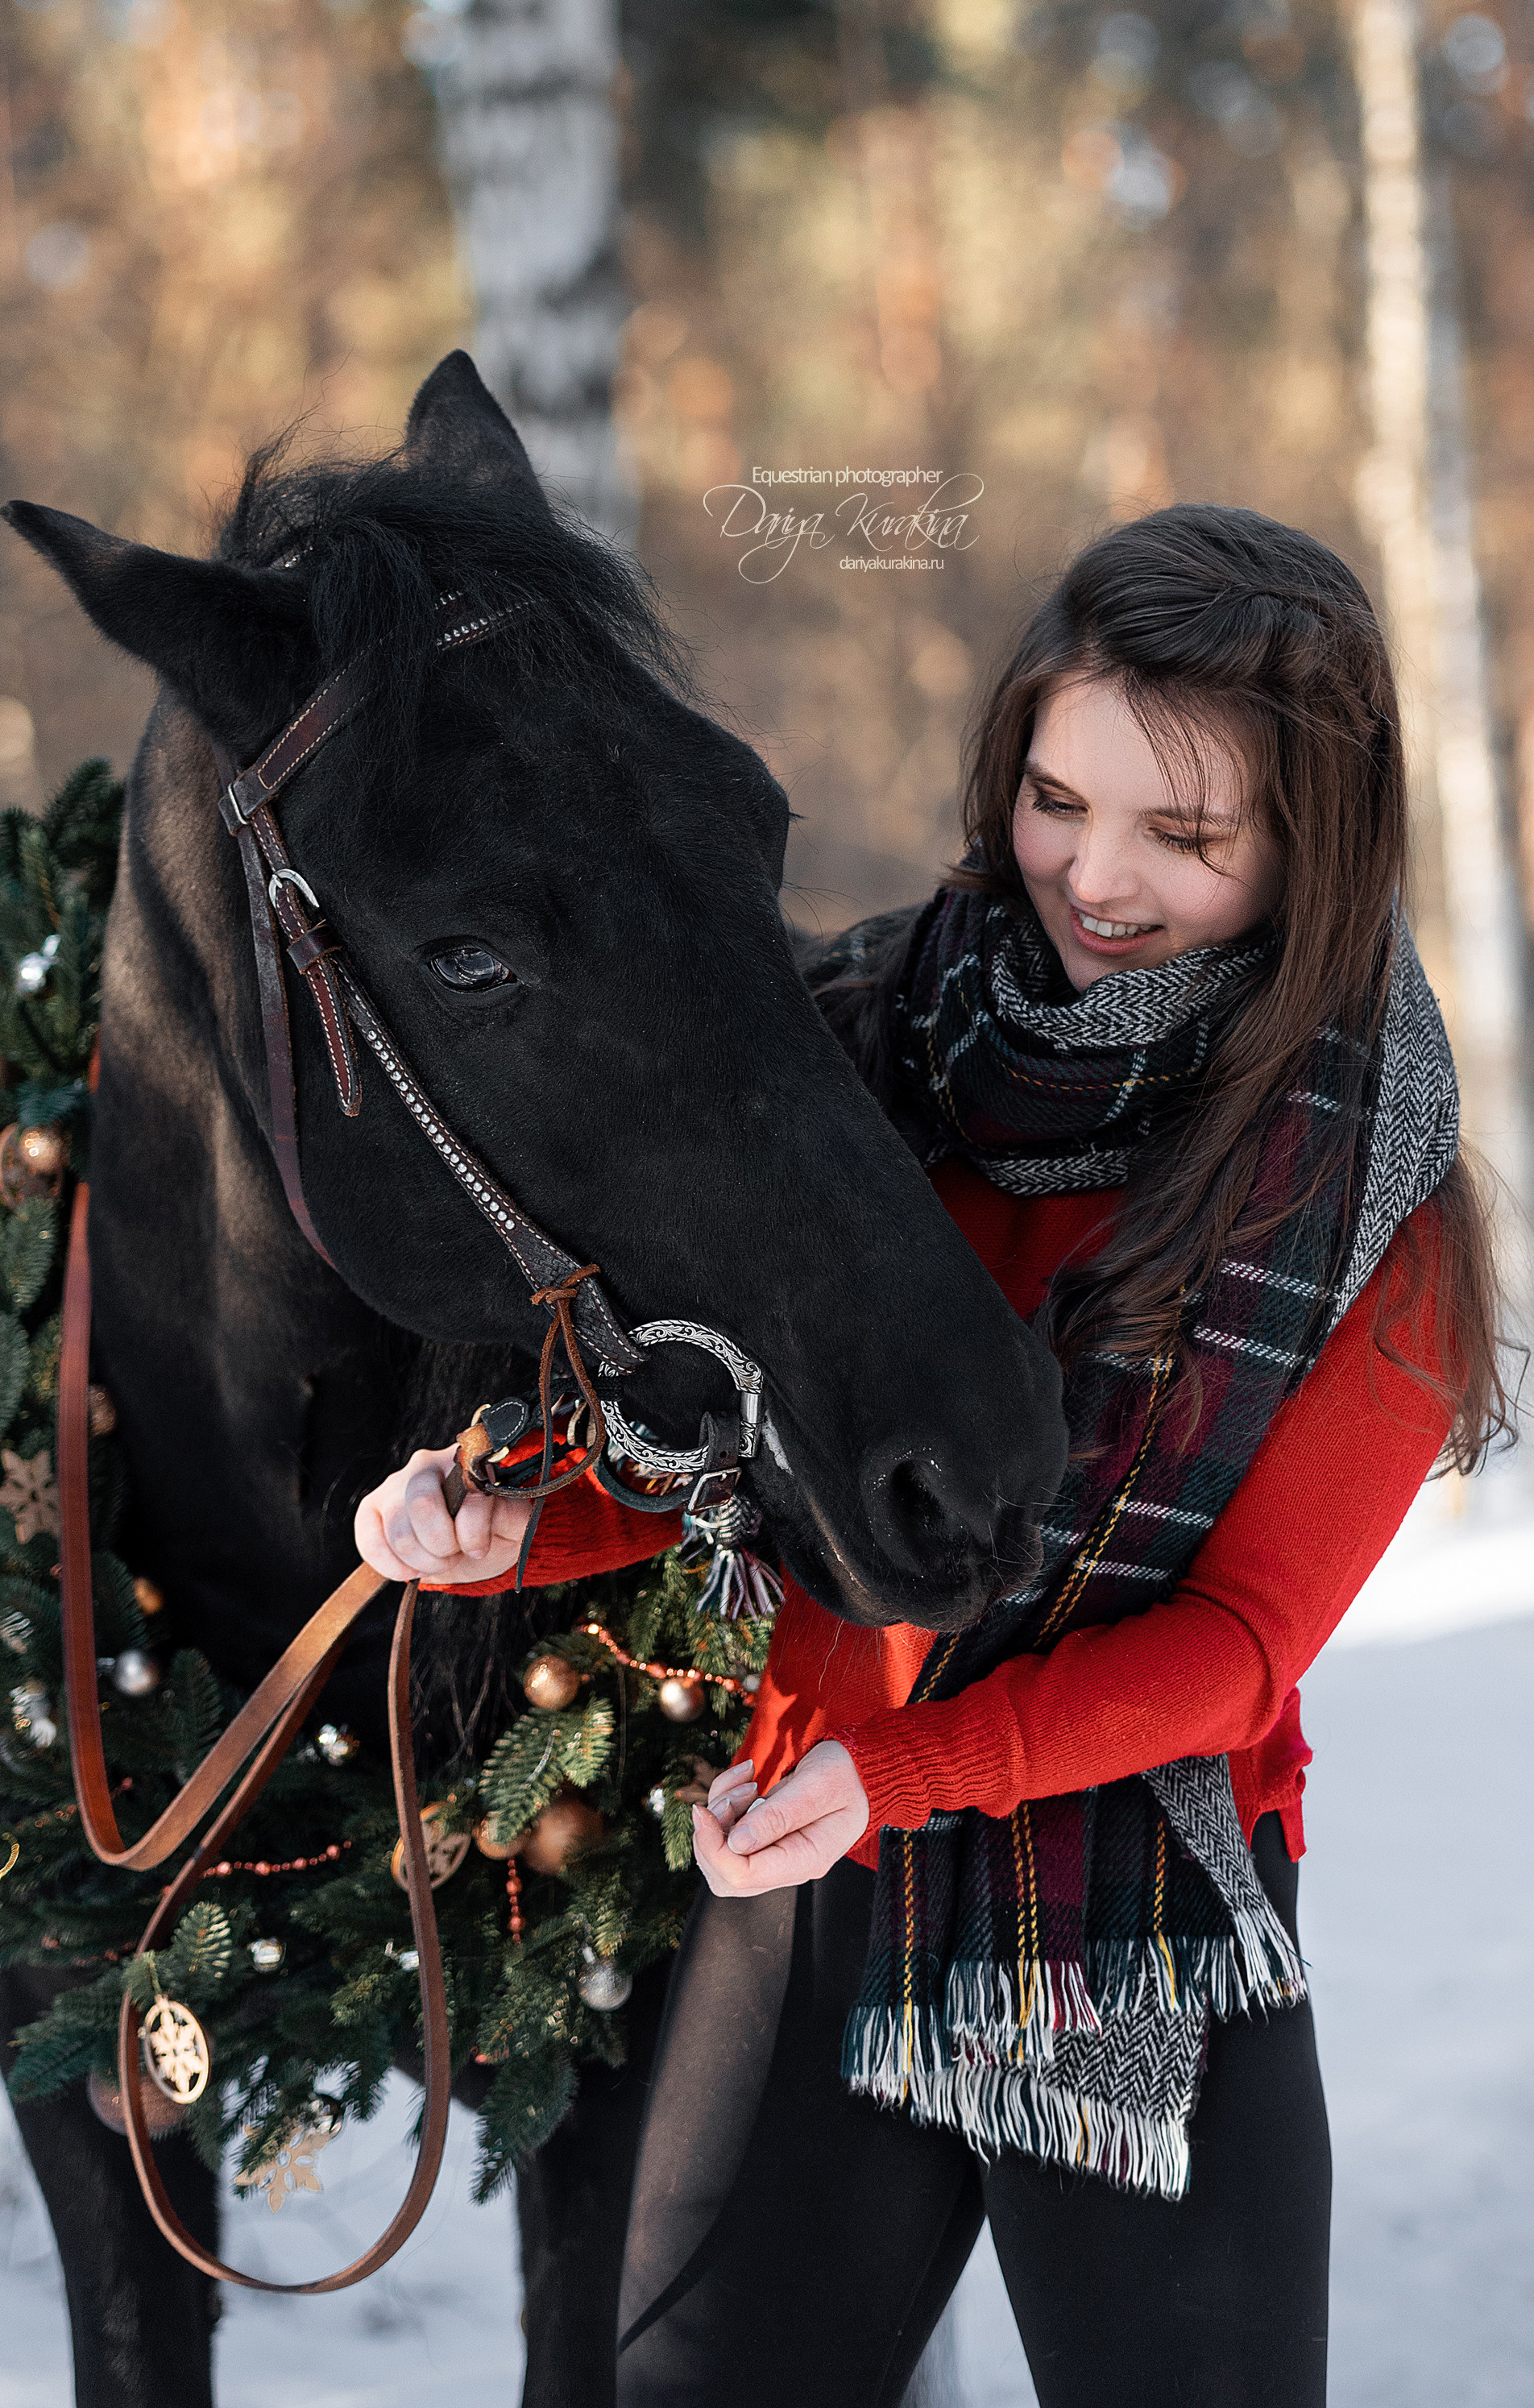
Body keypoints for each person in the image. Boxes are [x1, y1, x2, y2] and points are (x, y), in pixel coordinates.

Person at [354, 506, 1511, 2408]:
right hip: (809, 1890)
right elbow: (716, 1426)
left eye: (1187, 836)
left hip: (1118, 1943)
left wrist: (908, 1773)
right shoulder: (859, 1042)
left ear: (1314, 842)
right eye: (1058, 800)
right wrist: (508, 1523)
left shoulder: (1357, 1185)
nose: (1096, 877)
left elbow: (1238, 1650)